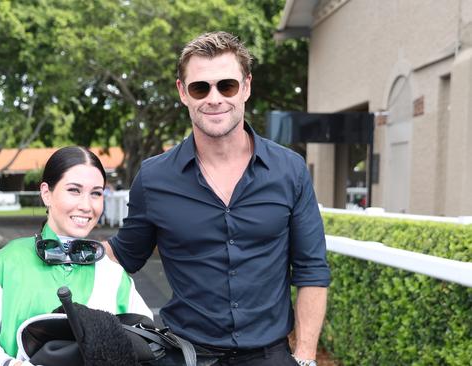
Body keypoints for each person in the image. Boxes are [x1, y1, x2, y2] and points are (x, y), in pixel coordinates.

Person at [106, 31, 331, 366]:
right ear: (183, 93)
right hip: (185, 355)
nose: (214, 98)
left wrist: (306, 356)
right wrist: (60, 241)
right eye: (200, 87)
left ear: (247, 87)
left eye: (227, 85)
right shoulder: (154, 178)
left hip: (271, 357)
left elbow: (312, 269)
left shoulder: (290, 170)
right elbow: (124, 255)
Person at [0, 146, 151, 366]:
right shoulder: (4, 264)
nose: (86, 205)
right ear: (46, 193)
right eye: (74, 190)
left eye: (96, 193)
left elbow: (148, 343)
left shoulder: (113, 275)